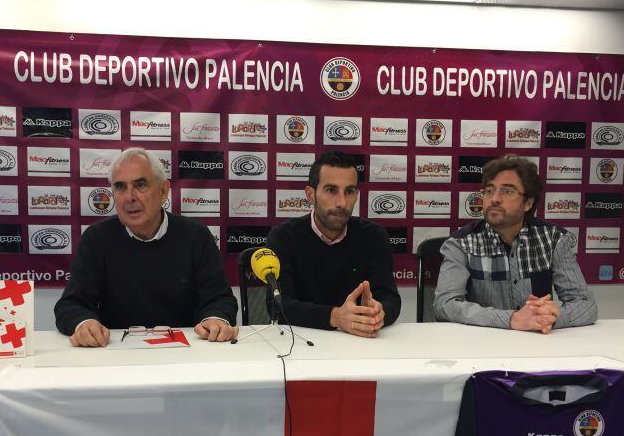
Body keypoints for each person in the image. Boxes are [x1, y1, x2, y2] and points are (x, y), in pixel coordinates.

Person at [54, 147, 238, 346]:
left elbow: (220, 300)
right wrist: (85, 323)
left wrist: (215, 319)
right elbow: (70, 304)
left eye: (140, 185)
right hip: (116, 355)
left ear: (163, 191)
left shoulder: (196, 236)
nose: (130, 197)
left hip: (186, 354)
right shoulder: (96, 238)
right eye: (120, 187)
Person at [434, 154, 597, 332]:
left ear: (528, 203)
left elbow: (585, 304)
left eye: (507, 191)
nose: (494, 198)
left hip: (537, 344)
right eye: (489, 191)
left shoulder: (554, 239)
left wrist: (550, 317)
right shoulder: (461, 244)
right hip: (482, 346)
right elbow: (445, 305)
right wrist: (511, 319)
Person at [265, 151, 401, 337]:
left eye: (349, 191)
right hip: (301, 344)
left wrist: (379, 312)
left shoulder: (374, 235)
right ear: (310, 195)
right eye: (331, 190)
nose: (342, 202)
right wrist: (336, 317)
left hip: (359, 345)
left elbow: (390, 298)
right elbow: (279, 304)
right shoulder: (283, 236)